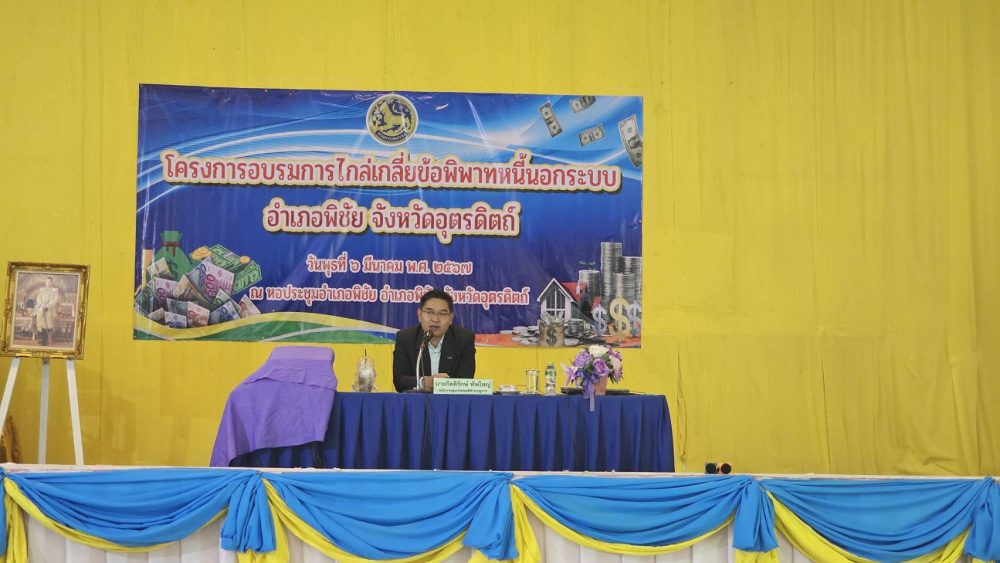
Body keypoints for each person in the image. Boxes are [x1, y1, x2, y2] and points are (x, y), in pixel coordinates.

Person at [393, 288, 476, 392]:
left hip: (451, 400)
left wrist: (440, 384)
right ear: (419, 315)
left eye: (442, 313)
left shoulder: (464, 339)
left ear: (451, 318)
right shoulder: (405, 338)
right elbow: (399, 381)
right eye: (429, 312)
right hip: (416, 401)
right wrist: (424, 382)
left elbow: (465, 381)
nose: (435, 319)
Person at [33, 276, 60, 346]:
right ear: (45, 282)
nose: (48, 283)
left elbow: (55, 300)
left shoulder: (54, 291)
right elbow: (38, 298)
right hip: (41, 309)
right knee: (41, 325)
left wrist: (47, 306)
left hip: (49, 310)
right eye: (47, 281)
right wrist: (42, 305)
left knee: (47, 325)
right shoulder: (42, 290)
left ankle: (45, 341)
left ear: (52, 283)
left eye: (49, 282)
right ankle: (42, 340)